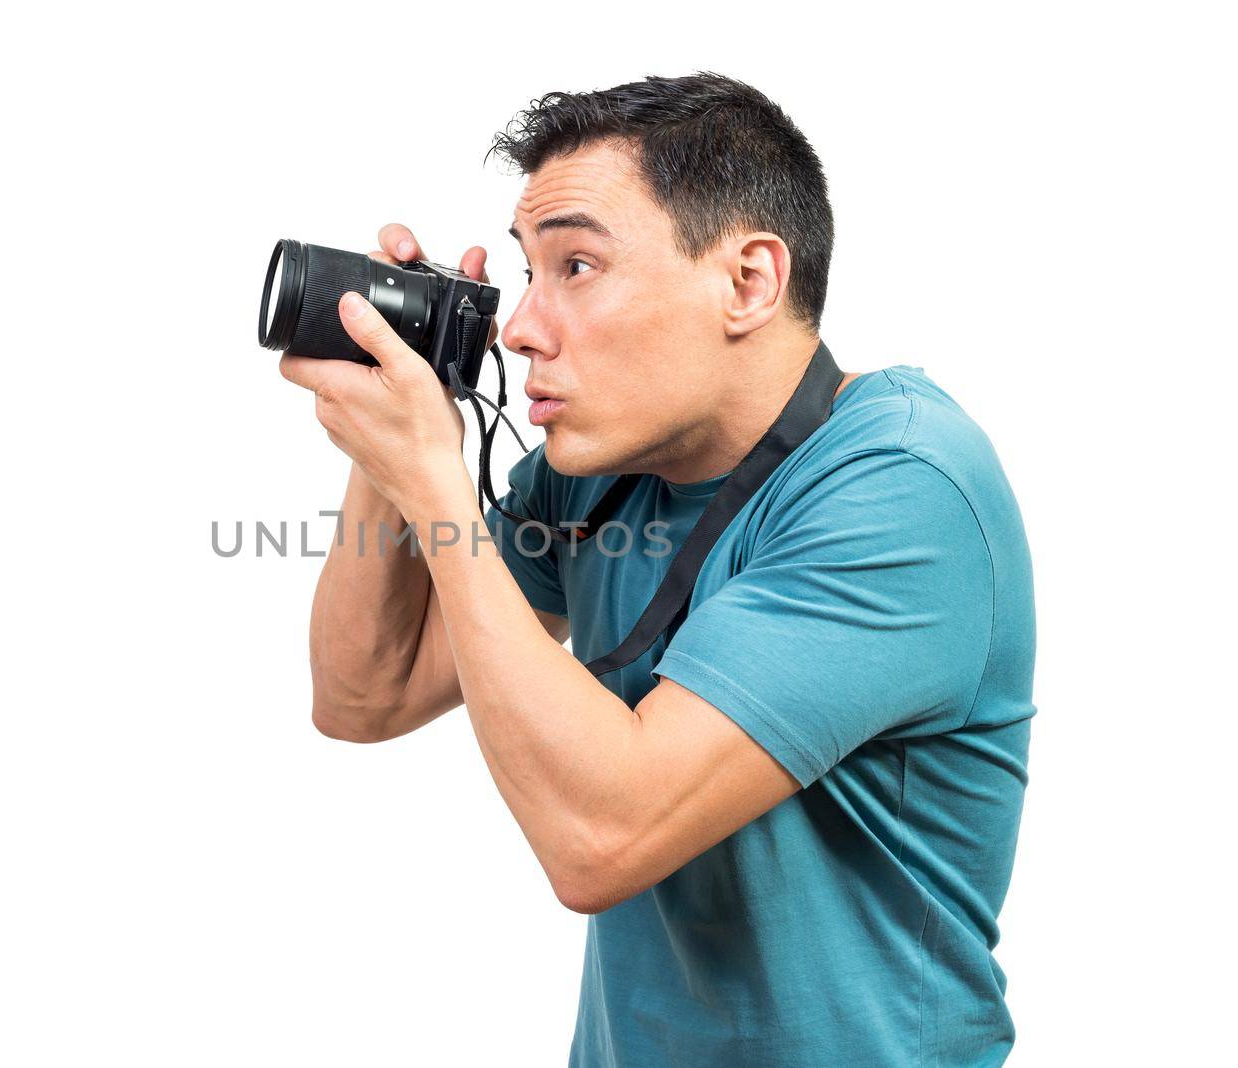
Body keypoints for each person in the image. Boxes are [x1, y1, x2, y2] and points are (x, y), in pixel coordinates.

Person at [278, 71, 1035, 1067]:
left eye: (578, 267)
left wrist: (434, 488)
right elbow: (362, 698)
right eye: (528, 272)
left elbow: (602, 838)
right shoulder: (596, 471)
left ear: (748, 282)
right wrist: (391, 433)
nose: (520, 326)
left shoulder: (902, 485)